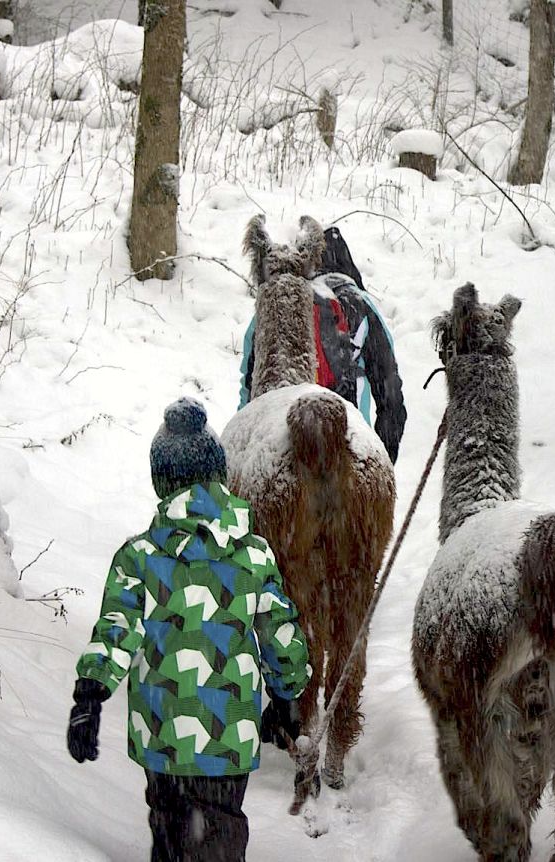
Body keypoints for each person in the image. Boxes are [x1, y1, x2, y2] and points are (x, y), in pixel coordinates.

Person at [66, 398, 311, 862]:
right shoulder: (253, 555)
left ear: (162, 483)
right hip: (226, 739)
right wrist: (287, 697)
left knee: (170, 828)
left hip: (162, 738)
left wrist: (90, 695)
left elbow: (116, 631)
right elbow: (280, 637)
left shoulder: (138, 557)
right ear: (217, 474)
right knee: (217, 833)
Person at [238, 225, 407, 463]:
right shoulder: (361, 306)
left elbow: (248, 390)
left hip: (282, 448)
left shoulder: (275, 308)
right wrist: (382, 463)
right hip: (349, 449)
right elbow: (391, 399)